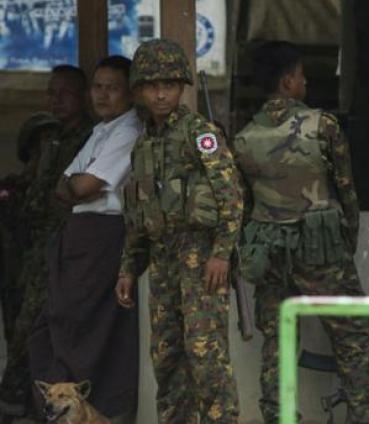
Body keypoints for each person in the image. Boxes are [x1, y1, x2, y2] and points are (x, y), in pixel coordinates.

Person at [233, 40, 369, 424]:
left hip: (270, 251)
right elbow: (346, 191)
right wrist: (346, 240)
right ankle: (365, 415)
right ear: (288, 81)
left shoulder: (243, 138)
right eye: (301, 76)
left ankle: (279, 415)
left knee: (279, 340)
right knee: (352, 333)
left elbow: (243, 205)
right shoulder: (323, 126)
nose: (305, 84)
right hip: (323, 250)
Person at [114, 38, 243, 423]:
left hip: (201, 256)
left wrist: (221, 252)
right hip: (163, 258)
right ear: (138, 89)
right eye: (152, 85)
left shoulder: (199, 133)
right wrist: (127, 268)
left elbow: (231, 195)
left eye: (169, 84)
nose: (161, 93)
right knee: (167, 356)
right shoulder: (143, 146)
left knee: (206, 355)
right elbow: (139, 214)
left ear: (181, 87)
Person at [27, 55, 141, 421]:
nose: (102, 95)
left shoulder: (129, 129)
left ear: (130, 92)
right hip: (79, 236)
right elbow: (66, 185)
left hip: (102, 237)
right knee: (55, 327)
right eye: (97, 87)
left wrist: (78, 186)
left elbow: (85, 184)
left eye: (113, 88)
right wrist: (76, 186)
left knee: (92, 335)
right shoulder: (101, 130)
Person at [0, 65, 92, 419]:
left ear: (82, 97)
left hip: (61, 244)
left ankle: (17, 399)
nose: (55, 101)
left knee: (34, 326)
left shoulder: (90, 138)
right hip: (29, 244)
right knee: (18, 320)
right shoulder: (48, 138)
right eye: (50, 93)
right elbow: (30, 184)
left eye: (63, 94)